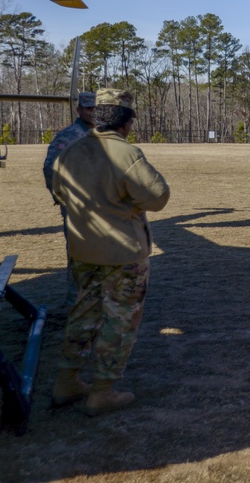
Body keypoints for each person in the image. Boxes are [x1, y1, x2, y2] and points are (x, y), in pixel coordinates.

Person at [50, 89, 170, 415]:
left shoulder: (71, 151)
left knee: (82, 314)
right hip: (123, 255)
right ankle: (102, 391)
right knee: (119, 321)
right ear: (126, 122)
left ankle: (67, 381)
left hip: (83, 249)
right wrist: (125, 205)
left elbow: (59, 190)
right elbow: (158, 197)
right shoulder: (126, 154)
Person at [42, 91, 96, 306]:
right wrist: (60, 197)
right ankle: (77, 303)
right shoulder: (70, 135)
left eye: (97, 108)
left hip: (101, 207)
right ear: (79, 109)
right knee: (79, 255)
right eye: (89, 108)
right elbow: (50, 168)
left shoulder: (101, 134)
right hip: (78, 207)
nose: (93, 112)